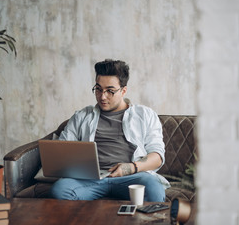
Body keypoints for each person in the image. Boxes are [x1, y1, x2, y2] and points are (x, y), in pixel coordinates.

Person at [50, 59, 169, 202]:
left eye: (110, 91)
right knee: (60, 189)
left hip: (132, 177)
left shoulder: (145, 115)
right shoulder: (81, 116)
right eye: (98, 89)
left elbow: (157, 157)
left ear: (123, 90)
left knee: (154, 190)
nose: (102, 96)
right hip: (90, 180)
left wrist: (131, 168)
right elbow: (62, 149)